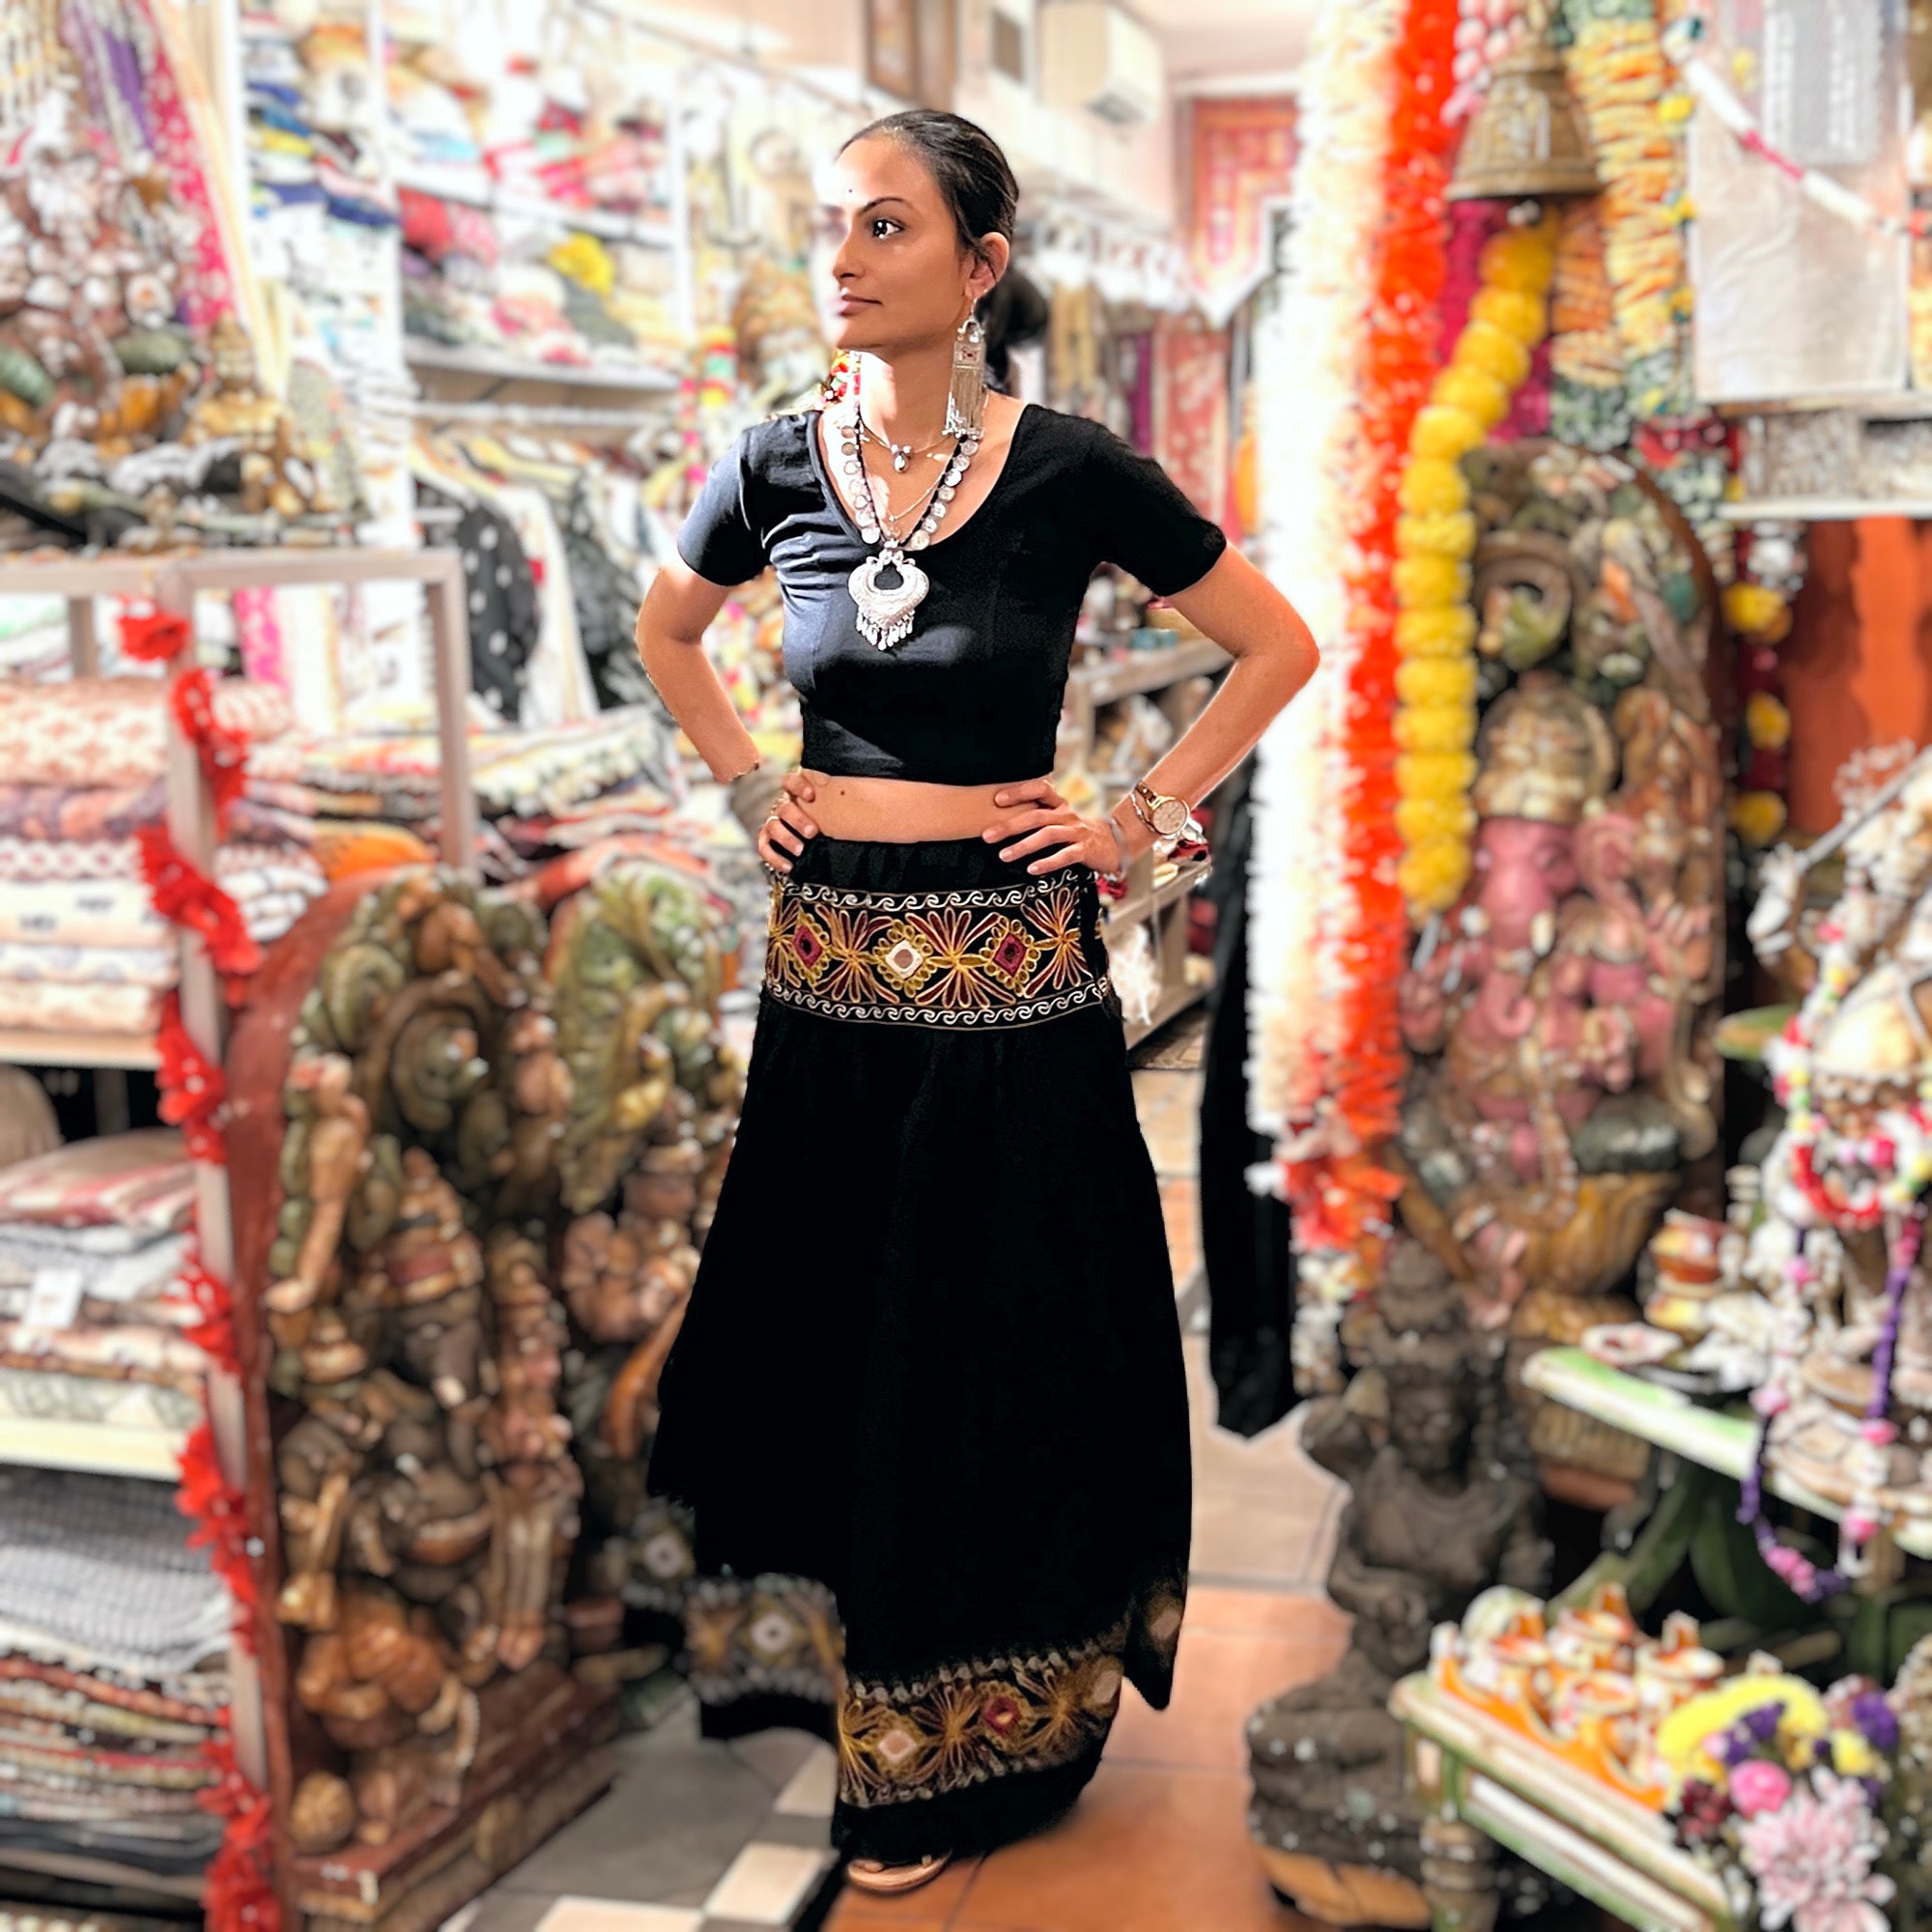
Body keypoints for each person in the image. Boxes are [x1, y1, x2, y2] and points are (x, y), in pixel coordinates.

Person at [634, 107, 1318, 1895]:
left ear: (981, 267)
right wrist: (737, 777)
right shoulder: (775, 461)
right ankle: (864, 1705)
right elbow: (667, 632)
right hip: (826, 981)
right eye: (829, 231)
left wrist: (1140, 818)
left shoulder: (1068, 468)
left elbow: (1277, 646)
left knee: (986, 1354)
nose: (843, 261)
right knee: (835, 1346)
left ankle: (959, 1741)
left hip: (1009, 992)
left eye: (885, 228)